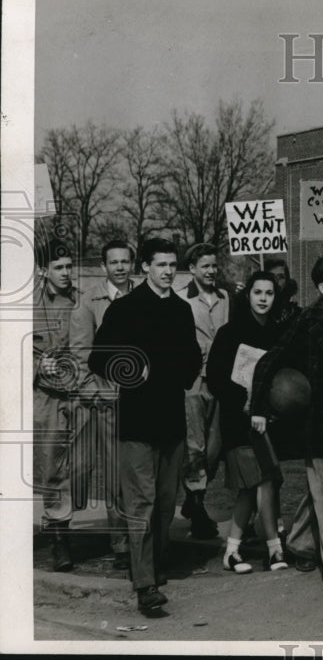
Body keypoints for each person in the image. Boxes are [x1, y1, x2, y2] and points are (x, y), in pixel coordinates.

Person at [90, 238, 202, 614]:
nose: (168, 271)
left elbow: (191, 360)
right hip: (136, 423)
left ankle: (154, 566)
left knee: (166, 503)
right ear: (146, 269)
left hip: (171, 422)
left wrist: (176, 372)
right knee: (141, 503)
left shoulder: (183, 311)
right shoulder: (125, 309)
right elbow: (98, 357)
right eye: (161, 265)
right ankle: (144, 585)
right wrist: (131, 367)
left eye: (173, 265)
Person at [250, 255, 323, 596]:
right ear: (322, 287)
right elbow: (269, 361)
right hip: (316, 421)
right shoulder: (307, 322)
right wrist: (258, 408)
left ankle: (299, 542)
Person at [207, 271, 287, 574]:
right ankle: (273, 549)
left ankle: (232, 551)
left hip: (268, 420)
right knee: (258, 481)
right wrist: (244, 399)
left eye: (269, 293)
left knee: (255, 485)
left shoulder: (279, 333)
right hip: (238, 420)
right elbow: (215, 378)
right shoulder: (229, 332)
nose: (264, 298)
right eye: (258, 293)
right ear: (248, 295)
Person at [68, 239, 136, 570]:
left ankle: (143, 542)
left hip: (140, 399)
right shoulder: (89, 301)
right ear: (103, 266)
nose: (120, 267)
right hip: (107, 399)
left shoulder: (142, 296)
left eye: (125, 261)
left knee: (138, 472)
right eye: (114, 262)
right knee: (113, 473)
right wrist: (94, 392)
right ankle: (121, 543)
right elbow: (80, 354)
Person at [33, 236, 78, 572]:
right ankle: (59, 537)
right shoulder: (29, 304)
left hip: (78, 393)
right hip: (44, 397)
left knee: (82, 465)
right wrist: (37, 364)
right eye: (58, 267)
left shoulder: (81, 300)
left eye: (69, 266)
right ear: (43, 270)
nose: (65, 273)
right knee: (51, 467)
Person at [180, 243, 230, 539]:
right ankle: (198, 507)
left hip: (221, 379)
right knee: (194, 446)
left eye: (214, 265)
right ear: (193, 269)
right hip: (193, 381)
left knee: (214, 448)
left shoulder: (225, 298)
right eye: (206, 266)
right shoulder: (181, 299)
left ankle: (192, 497)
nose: (212, 271)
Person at [264, 257, 302, 328]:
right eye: (271, 277)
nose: (276, 281)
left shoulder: (296, 315)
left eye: (281, 277)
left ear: (287, 281)